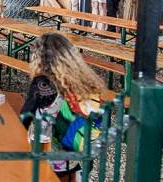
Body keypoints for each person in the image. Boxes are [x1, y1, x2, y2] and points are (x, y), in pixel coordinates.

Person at [20, 33, 105, 182]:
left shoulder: (43, 83)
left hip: (49, 164)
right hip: (74, 163)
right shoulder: (87, 84)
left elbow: (24, 119)